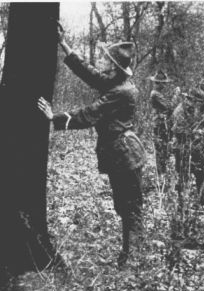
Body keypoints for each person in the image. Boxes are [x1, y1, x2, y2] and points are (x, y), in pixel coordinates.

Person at [37, 25, 144, 267]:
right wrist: (64, 44)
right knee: (124, 206)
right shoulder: (116, 82)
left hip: (126, 154)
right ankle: (130, 255)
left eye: (107, 60)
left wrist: (55, 117)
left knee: (131, 208)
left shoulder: (122, 91)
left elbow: (90, 113)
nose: (102, 63)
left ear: (115, 66)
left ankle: (134, 260)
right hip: (121, 153)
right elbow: (90, 74)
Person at [171, 88, 204, 206]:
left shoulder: (195, 108)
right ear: (192, 100)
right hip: (182, 147)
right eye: (199, 102)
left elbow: (202, 120)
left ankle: (201, 200)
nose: (200, 105)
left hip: (196, 147)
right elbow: (177, 130)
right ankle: (182, 204)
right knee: (183, 175)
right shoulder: (179, 111)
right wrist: (194, 132)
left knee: (201, 173)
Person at [148, 70, 178, 176]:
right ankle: (161, 175)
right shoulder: (155, 94)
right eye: (163, 83)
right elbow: (169, 107)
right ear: (158, 83)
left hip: (162, 124)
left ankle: (163, 173)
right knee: (161, 149)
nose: (165, 85)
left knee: (164, 149)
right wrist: (176, 95)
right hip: (160, 125)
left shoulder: (158, 93)